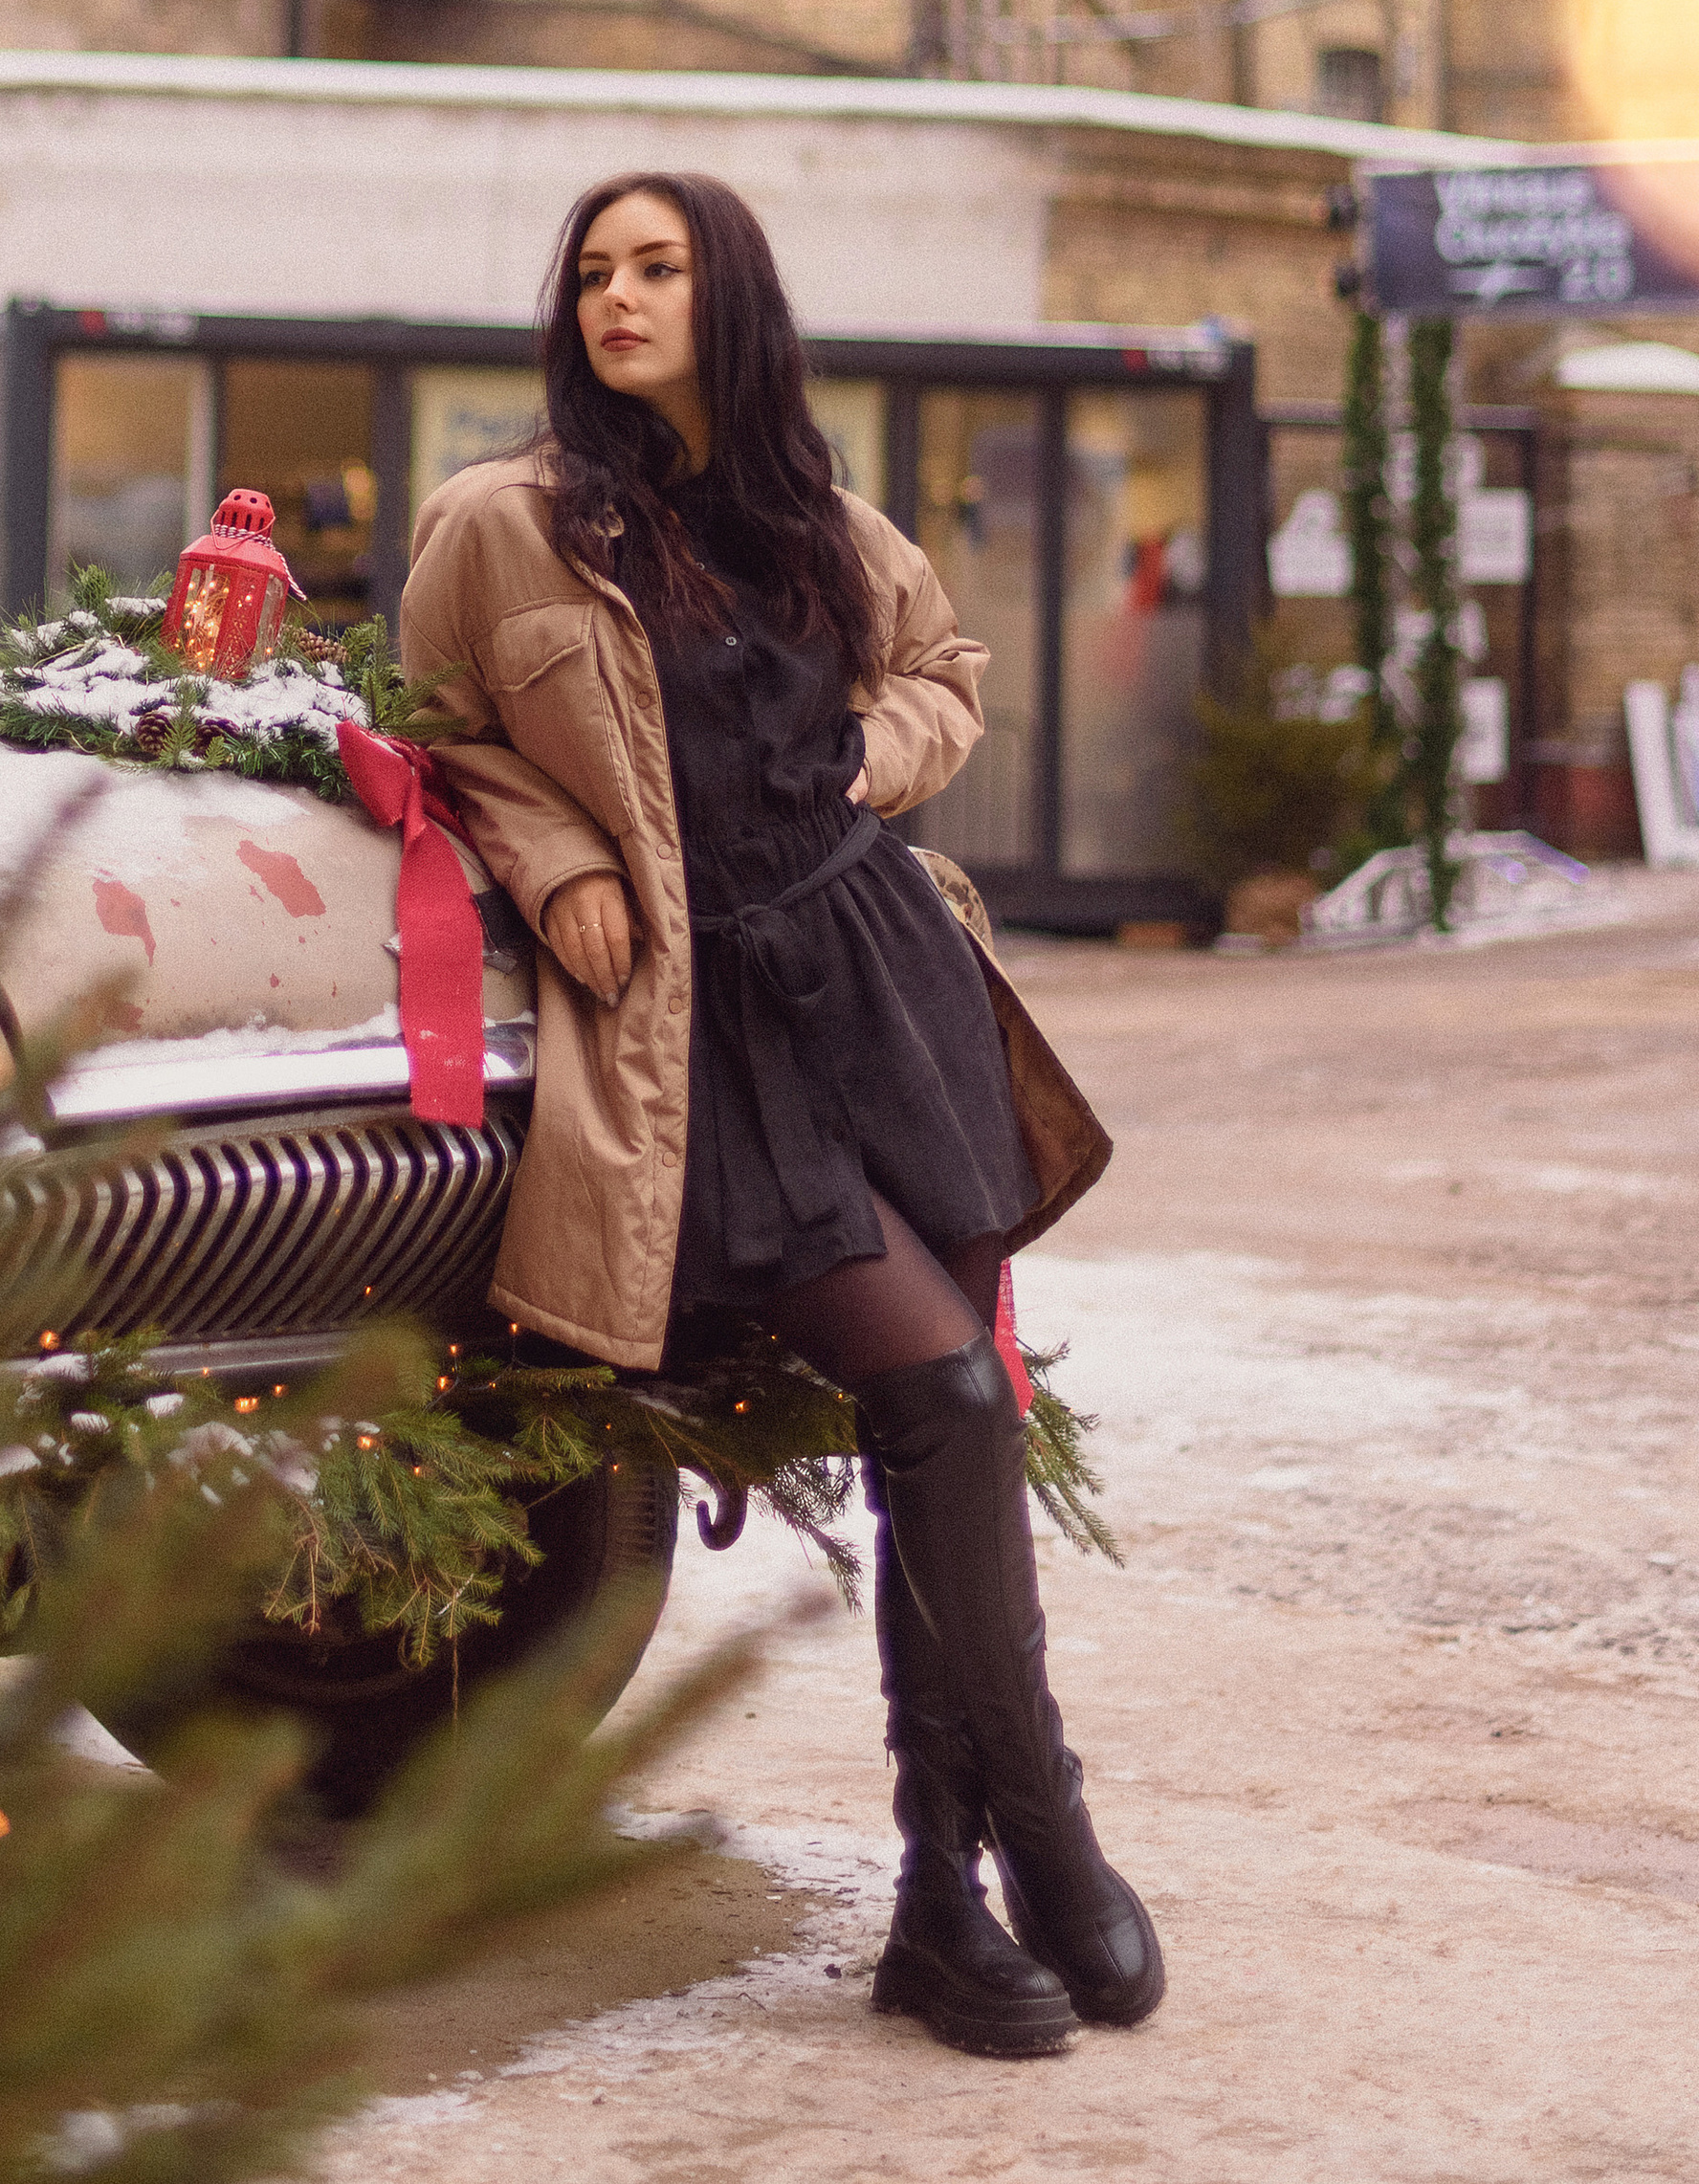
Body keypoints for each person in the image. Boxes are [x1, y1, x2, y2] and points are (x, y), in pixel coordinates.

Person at [400, 170, 1162, 2061]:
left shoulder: (818, 522)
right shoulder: (497, 526)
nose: (613, 298)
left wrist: (874, 754)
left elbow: (940, 675)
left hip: (879, 979)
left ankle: (936, 1896)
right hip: (697, 1019)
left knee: (944, 1431)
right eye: (589, 271)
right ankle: (1042, 1832)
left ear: (727, 297)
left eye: (654, 268)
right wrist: (560, 849)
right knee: (941, 1389)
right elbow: (430, 734)